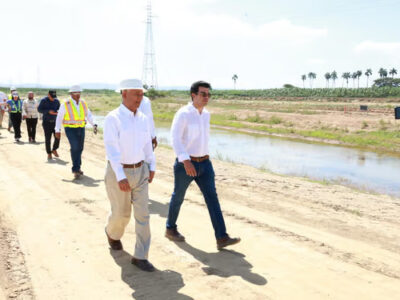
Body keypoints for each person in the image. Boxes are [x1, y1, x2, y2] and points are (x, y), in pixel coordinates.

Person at [165, 80, 241, 250]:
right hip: (186, 164)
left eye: (208, 94)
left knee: (212, 199)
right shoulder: (183, 113)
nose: (207, 97)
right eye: (203, 94)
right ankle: (170, 228)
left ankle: (222, 237)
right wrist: (185, 161)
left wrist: (204, 160)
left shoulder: (206, 114)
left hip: (205, 164)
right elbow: (175, 139)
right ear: (193, 95)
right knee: (178, 197)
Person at [103, 79, 156, 272]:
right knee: (122, 215)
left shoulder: (142, 118)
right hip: (119, 172)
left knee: (143, 215)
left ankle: (140, 256)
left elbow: (147, 145)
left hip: (140, 170)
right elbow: (112, 149)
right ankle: (112, 233)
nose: (139, 98)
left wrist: (152, 165)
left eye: (142, 95)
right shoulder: (113, 118)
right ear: (124, 93)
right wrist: (120, 175)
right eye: (136, 94)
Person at [55, 85, 97, 179]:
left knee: (80, 148)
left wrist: (94, 124)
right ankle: (75, 169)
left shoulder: (83, 103)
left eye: (79, 92)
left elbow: (88, 114)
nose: (78, 94)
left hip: (81, 128)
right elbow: (59, 118)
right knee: (75, 147)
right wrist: (57, 130)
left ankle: (78, 167)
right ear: (71, 94)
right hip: (70, 129)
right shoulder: (65, 104)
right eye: (75, 93)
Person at [38, 90, 60, 159]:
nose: (53, 98)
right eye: (52, 97)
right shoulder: (43, 100)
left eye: (54, 97)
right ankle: (49, 153)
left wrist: (58, 112)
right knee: (48, 138)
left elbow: (60, 109)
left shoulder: (57, 101)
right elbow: (39, 110)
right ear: (48, 95)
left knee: (58, 137)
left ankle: (54, 149)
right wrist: (48, 111)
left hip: (56, 122)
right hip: (46, 122)